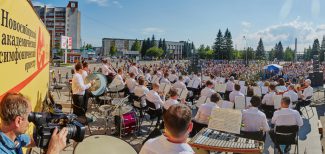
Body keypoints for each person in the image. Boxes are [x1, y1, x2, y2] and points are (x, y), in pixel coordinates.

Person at [0, 93, 68, 154]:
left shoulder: (13, 135)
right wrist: (54, 150)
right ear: (18, 121)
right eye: (29, 118)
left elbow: (30, 141)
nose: (30, 122)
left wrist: (49, 136)